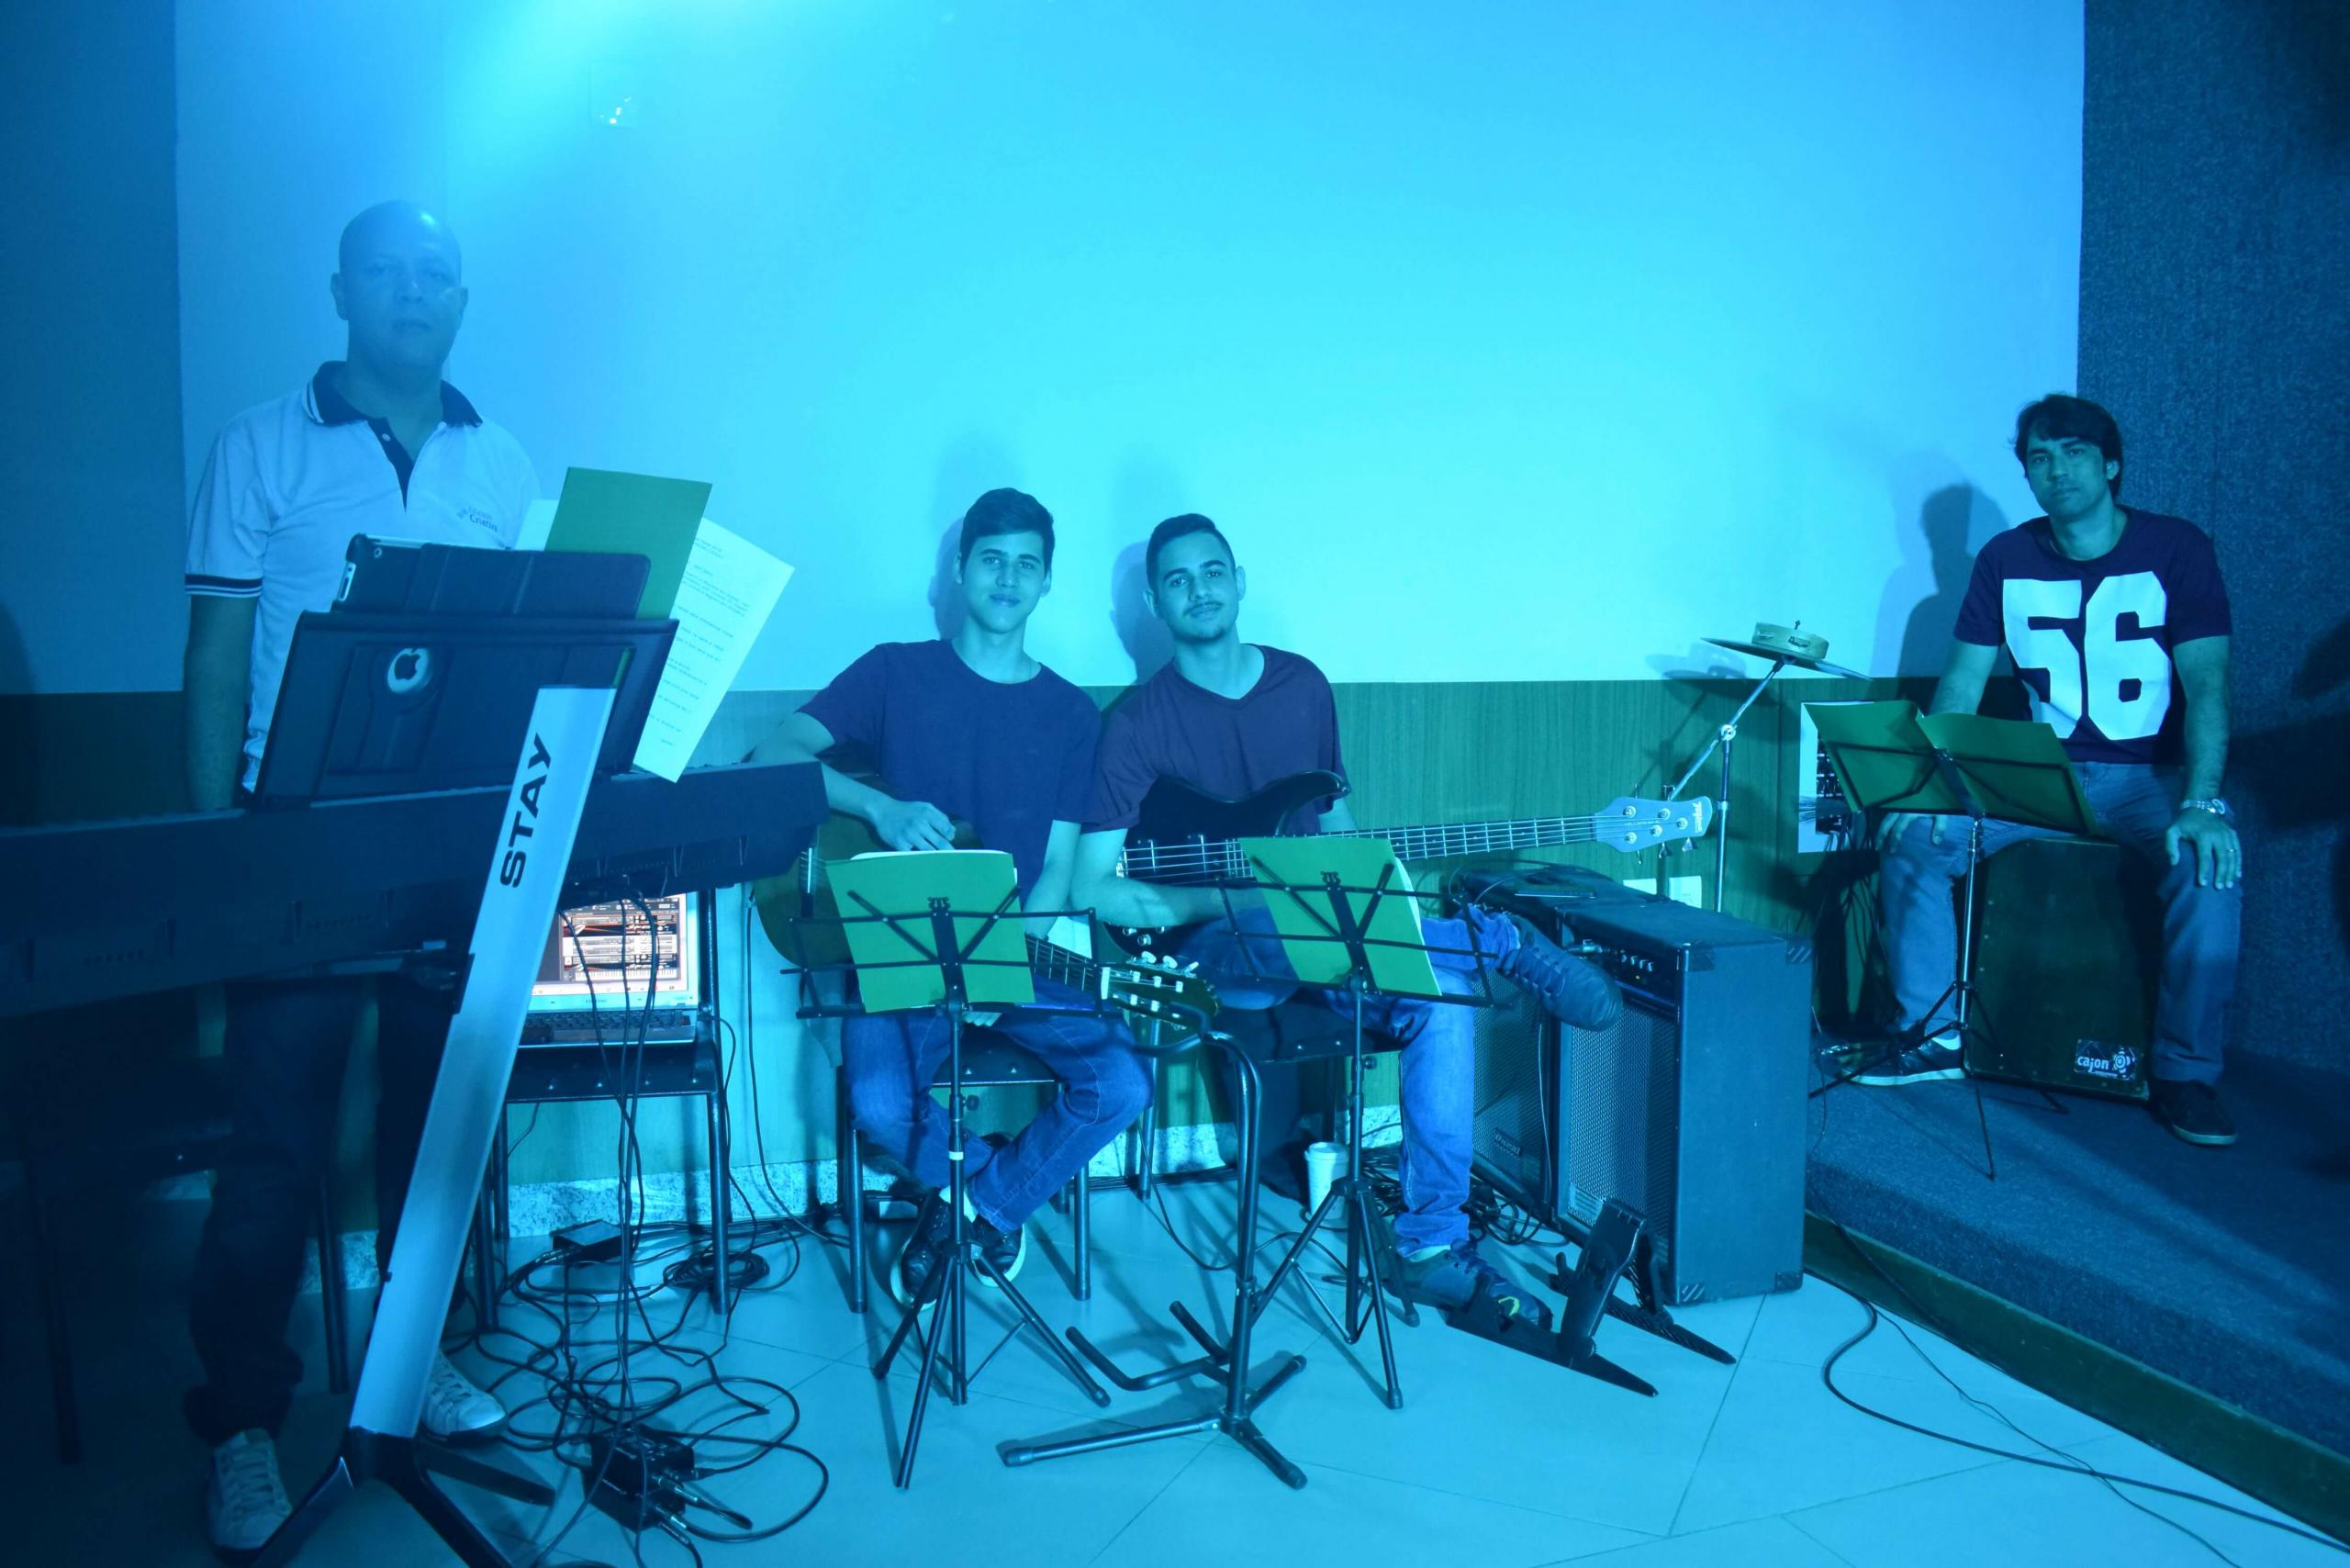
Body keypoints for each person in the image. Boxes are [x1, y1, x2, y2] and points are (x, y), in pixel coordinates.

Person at [181, 201, 536, 1560]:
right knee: (275, 1151)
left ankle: (412, 1364)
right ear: (340, 290)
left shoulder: (498, 457)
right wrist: (216, 861)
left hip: (450, 840)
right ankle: (239, 1427)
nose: (412, 291)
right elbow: (216, 655)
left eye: (437, 272)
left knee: (436, 1134)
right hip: (298, 838)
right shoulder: (260, 443)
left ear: (464, 300)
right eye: (386, 270)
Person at [1069, 513, 1620, 1326]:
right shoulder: (1137, 722)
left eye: (1213, 571)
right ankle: (1498, 937)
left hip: (1326, 940)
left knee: (1443, 997)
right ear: (1155, 602)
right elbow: (1092, 887)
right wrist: (1226, 900)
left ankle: (1429, 1243)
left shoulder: (1302, 687)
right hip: (1214, 957)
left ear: (1238, 580)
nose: (1200, 590)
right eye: (1177, 580)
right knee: (1276, 915)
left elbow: (1337, 829)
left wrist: (1378, 898)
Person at [752, 488, 1154, 1306]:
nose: (1008, 578)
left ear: (1047, 582)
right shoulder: (894, 671)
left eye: (1027, 564)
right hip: (899, 951)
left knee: (1122, 1084)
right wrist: (880, 808)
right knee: (878, 1101)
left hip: (1013, 951)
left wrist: (995, 966)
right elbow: (775, 752)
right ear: (961, 569)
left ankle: (973, 1207)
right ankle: (987, 1194)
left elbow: (1058, 867)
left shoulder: (1071, 713)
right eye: (992, 560)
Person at [1862, 394, 2242, 1148]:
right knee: (1915, 838)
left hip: (2149, 778)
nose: (2057, 470)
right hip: (2039, 773)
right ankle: (1932, 1036)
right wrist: (1931, 788)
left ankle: (2185, 1074)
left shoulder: (2177, 547)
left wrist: (2203, 803)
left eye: (2074, 453)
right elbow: (1962, 685)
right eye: (2040, 457)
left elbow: (2208, 685)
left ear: (2112, 465)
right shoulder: (2006, 558)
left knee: (2207, 867)